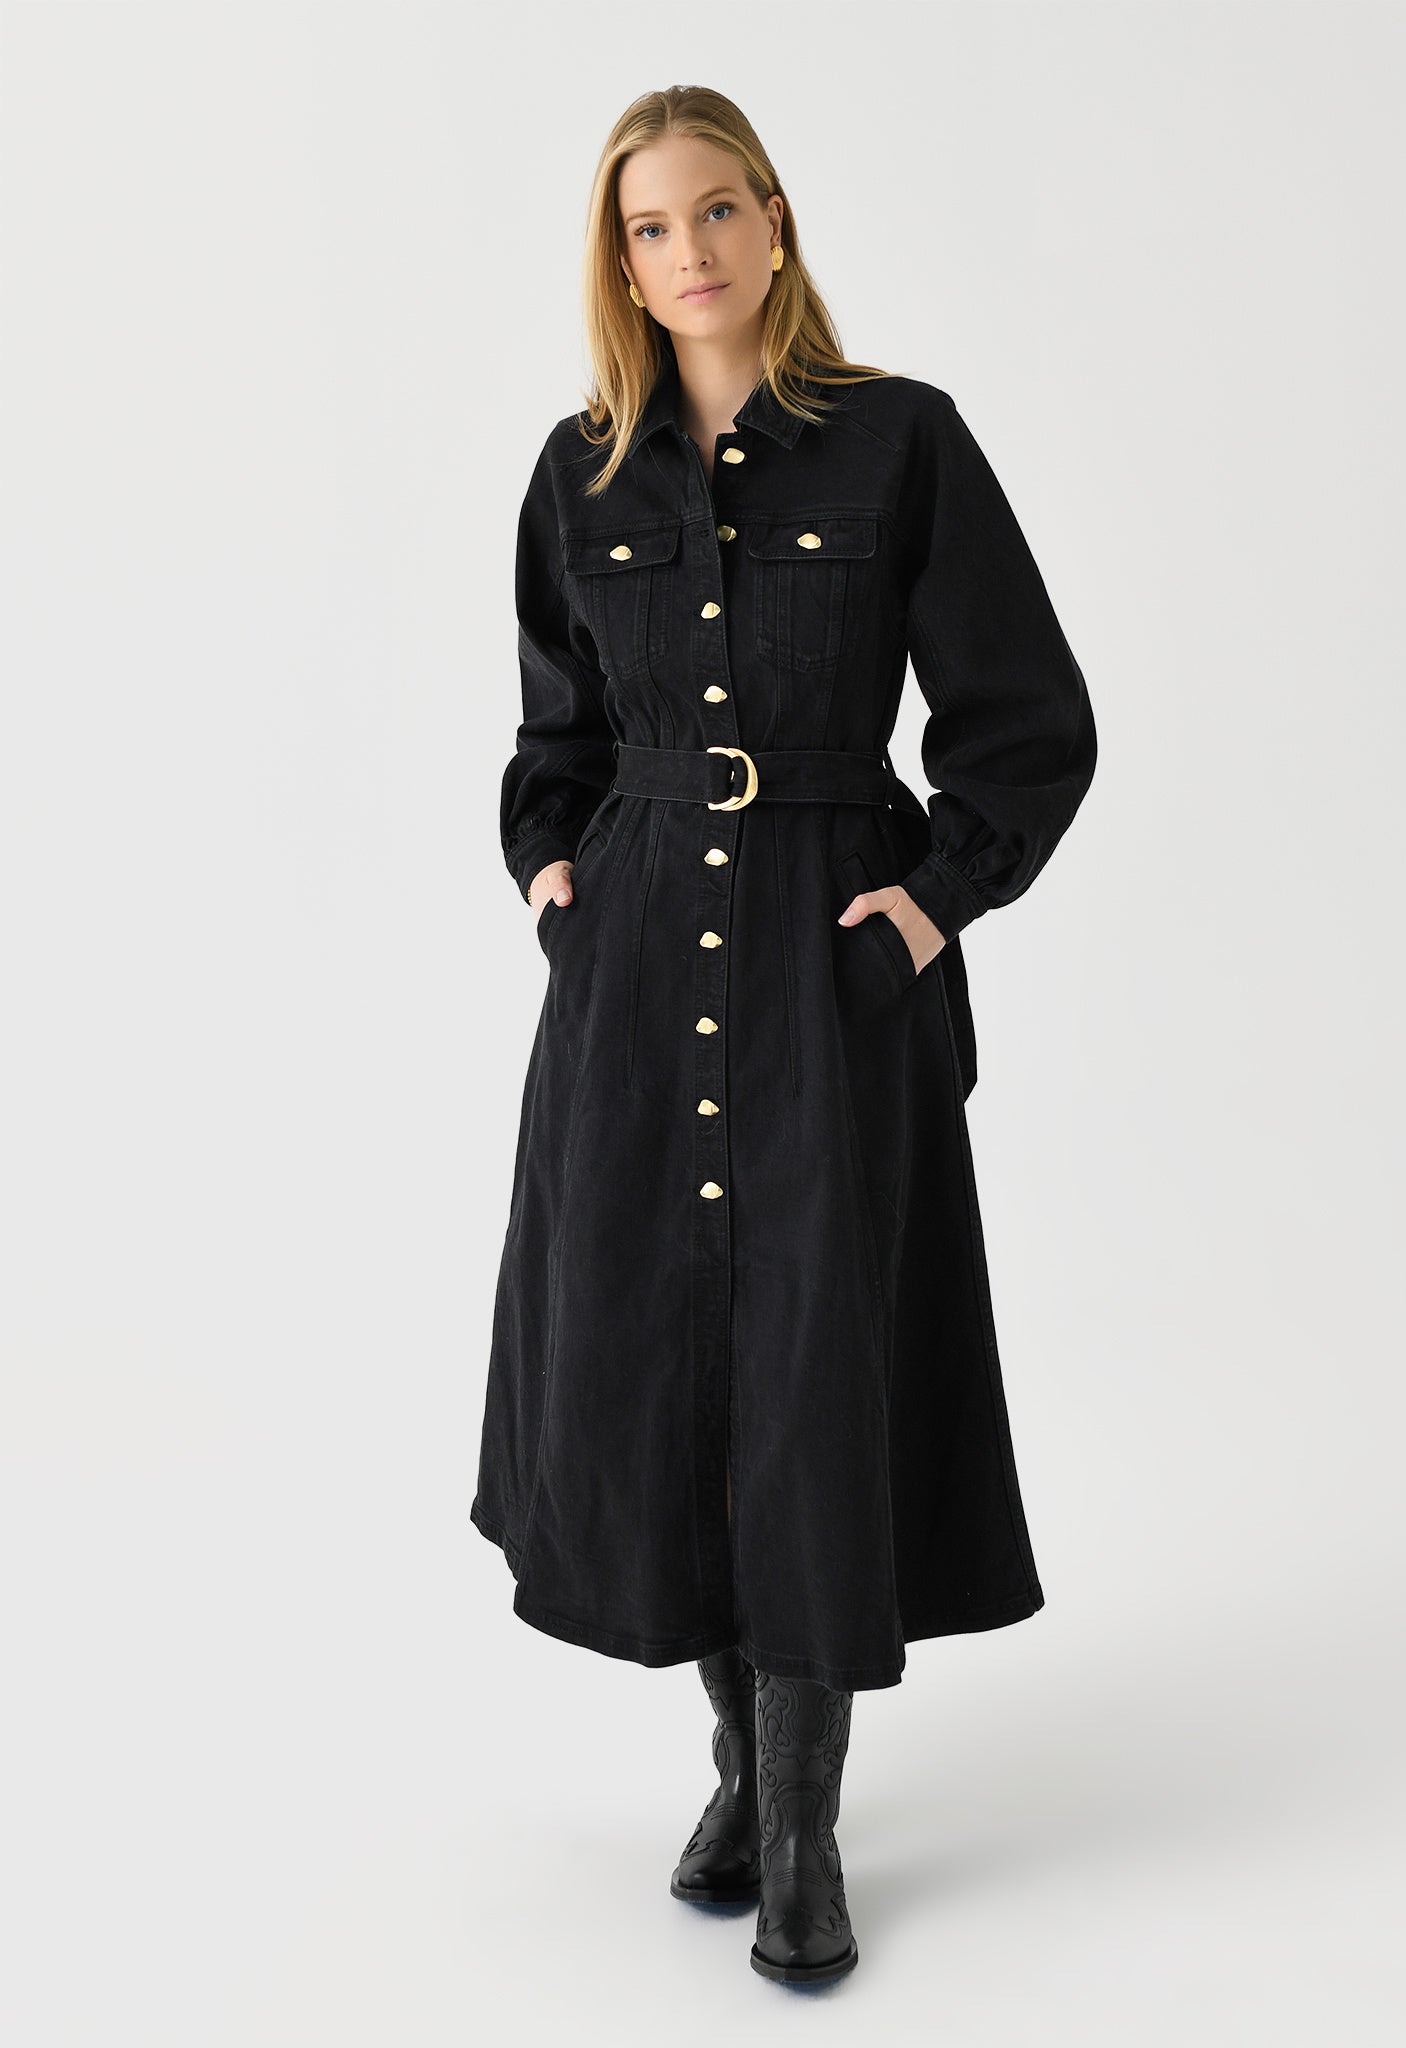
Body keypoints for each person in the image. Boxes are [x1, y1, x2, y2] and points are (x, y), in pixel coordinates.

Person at [470, 84, 1097, 1986]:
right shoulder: (582, 473)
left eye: (719, 209)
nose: (692, 252)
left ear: (775, 219)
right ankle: (742, 1769)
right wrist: (555, 882)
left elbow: (1028, 717)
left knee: (819, 1369)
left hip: (833, 969)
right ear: (620, 259)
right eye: (651, 226)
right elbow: (555, 733)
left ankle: (808, 1823)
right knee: (663, 1369)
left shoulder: (901, 439)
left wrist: (933, 901)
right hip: (636, 980)